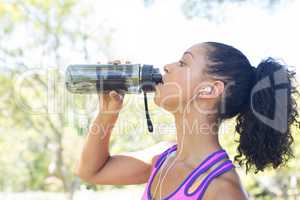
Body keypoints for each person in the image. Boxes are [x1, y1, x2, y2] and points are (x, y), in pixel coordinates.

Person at [75, 42, 299, 200]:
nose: (167, 67)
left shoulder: (222, 190)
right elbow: (91, 172)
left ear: (209, 89)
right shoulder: (162, 158)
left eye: (183, 63)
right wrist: (108, 112)